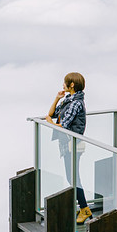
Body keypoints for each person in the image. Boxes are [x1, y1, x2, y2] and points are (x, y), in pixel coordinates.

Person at [46, 72, 92, 224]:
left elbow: (63, 125)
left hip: (73, 145)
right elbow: (52, 114)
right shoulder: (69, 99)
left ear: (71, 85)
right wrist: (57, 98)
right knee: (72, 176)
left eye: (65, 83)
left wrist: (50, 123)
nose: (63, 85)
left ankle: (84, 209)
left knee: (73, 177)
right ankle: (83, 208)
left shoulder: (76, 103)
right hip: (67, 144)